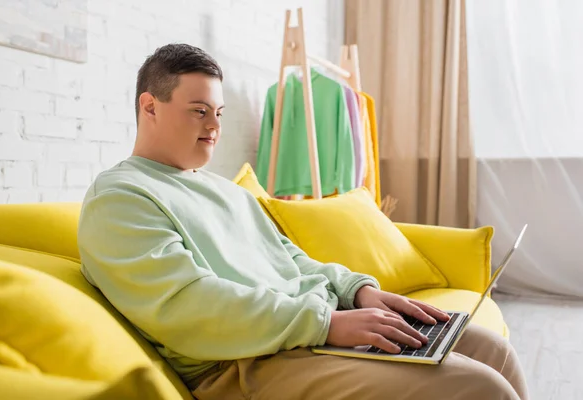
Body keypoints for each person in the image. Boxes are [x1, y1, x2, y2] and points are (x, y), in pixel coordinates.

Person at [77, 43, 529, 400]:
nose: (213, 125)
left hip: (307, 331)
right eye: (198, 110)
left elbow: (289, 258)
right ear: (150, 107)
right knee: (478, 387)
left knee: (491, 348)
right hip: (246, 362)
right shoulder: (120, 197)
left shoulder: (226, 190)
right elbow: (188, 305)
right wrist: (328, 324)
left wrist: (359, 292)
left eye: (218, 113)